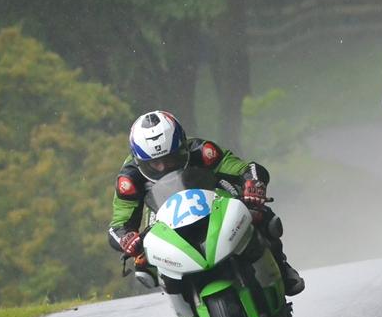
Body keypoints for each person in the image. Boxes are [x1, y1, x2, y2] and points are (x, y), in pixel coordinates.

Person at [107, 110, 305, 297]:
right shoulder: (129, 180)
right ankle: (184, 305)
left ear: (182, 147)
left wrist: (253, 184)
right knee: (143, 267)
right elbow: (118, 225)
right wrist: (126, 238)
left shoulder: (202, 151)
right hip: (164, 220)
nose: (163, 167)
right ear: (139, 160)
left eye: (171, 159)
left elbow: (246, 169)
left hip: (213, 202)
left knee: (259, 214)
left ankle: (282, 266)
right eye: (154, 164)